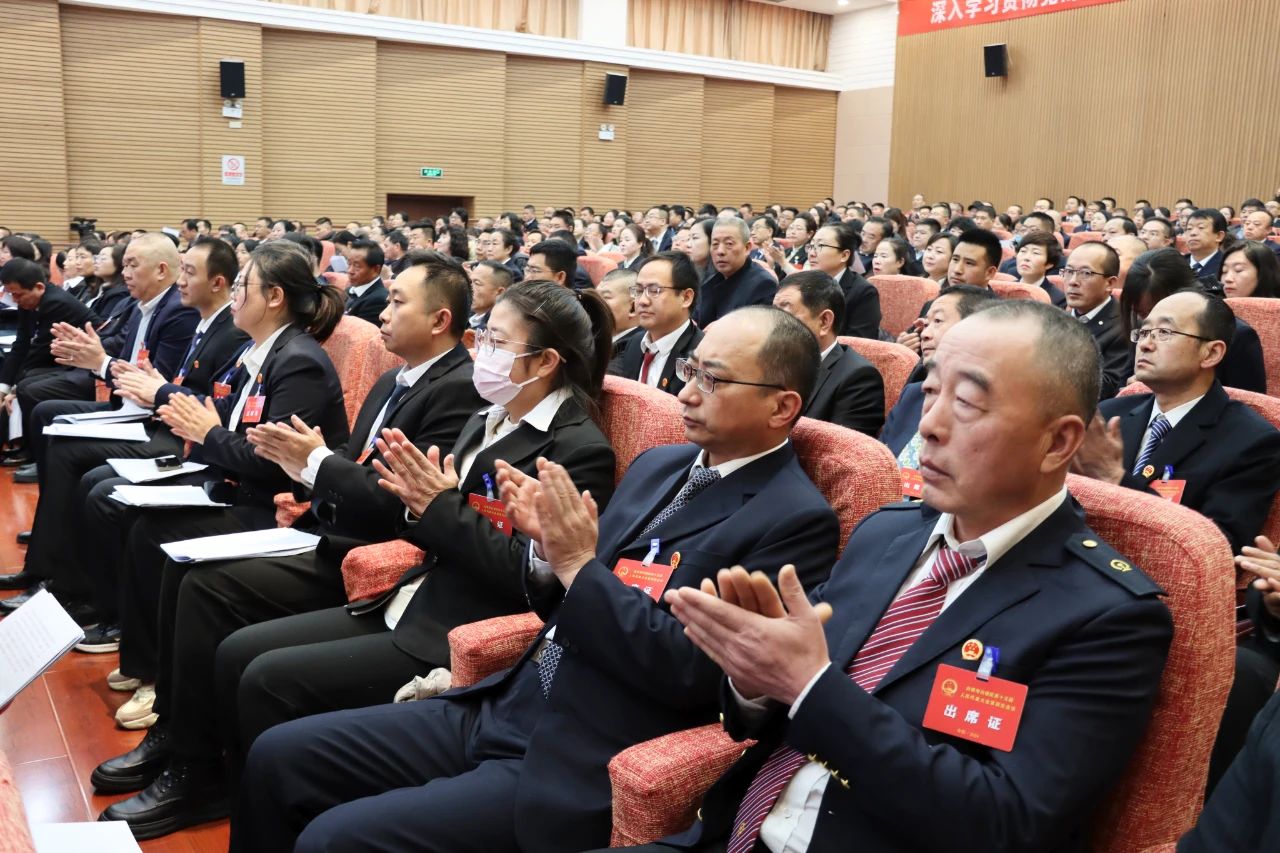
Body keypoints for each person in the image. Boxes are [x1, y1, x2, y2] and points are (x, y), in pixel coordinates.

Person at [233, 306, 842, 853]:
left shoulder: (792, 519)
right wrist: (548, 559)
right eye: (689, 369)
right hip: (506, 699)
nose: (685, 392)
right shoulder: (661, 465)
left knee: (335, 839)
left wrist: (576, 564)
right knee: (279, 755)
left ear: (781, 406)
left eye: (712, 379)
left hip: (578, 748)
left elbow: (688, 673)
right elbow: (575, 592)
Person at [633, 299, 1172, 853]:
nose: (929, 426)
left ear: (1057, 442)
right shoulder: (887, 533)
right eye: (930, 392)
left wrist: (810, 687)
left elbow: (1003, 824)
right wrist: (753, 677)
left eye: (967, 403)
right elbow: (766, 708)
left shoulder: (1107, 616)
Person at [93, 251, 488, 838]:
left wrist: (314, 466)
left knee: (205, 585)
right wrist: (312, 478)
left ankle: (198, 770)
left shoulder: (456, 389)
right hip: (329, 525)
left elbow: (400, 503)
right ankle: (175, 735)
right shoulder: (393, 379)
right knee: (183, 568)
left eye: (397, 301)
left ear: (440, 320)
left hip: (373, 557)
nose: (382, 312)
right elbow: (354, 466)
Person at [71, 242, 349, 737]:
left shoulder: (298, 361)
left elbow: (273, 464)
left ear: (274, 297)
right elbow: (226, 415)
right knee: (137, 516)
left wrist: (205, 432)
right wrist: (173, 399)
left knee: (154, 533)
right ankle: (147, 663)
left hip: (276, 509)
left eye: (243, 286)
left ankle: (159, 681)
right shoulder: (259, 350)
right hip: (233, 486)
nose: (235, 295)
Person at [0, 239, 249, 627]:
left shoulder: (201, 322)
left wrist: (103, 363)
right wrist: (100, 357)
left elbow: (174, 393)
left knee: (81, 465)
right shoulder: (188, 317)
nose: (181, 281)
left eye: (188, 272)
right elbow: (152, 377)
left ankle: (69, 582)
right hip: (156, 417)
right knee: (53, 424)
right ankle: (53, 557)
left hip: (174, 434)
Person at [1076, 290, 1280, 555]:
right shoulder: (1108, 413)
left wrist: (1116, 479)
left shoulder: (1252, 442)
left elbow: (1215, 549)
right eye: (1144, 332)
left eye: (1164, 333)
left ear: (1211, 353)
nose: (1145, 345)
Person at [16, 233, 201, 482]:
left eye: (132, 265)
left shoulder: (179, 311)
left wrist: (100, 362)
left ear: (161, 270)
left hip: (151, 418)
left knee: (65, 446)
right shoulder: (140, 305)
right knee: (45, 411)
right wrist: (92, 356)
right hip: (125, 404)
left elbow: (152, 387)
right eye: (124, 265)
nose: (125, 273)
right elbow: (124, 363)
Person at [1121, 248, 1267, 394]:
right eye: (1142, 313)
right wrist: (1131, 390)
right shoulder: (1145, 328)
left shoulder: (1238, 336)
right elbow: (1122, 385)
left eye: (1164, 330)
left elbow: (1249, 402)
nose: (1151, 320)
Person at [881, 285, 999, 463]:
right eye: (925, 325)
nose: (925, 334)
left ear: (976, 329)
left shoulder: (994, 412)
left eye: (937, 321)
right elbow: (879, 464)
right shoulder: (913, 395)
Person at [0, 258, 99, 446]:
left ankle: (34, 450)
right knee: (21, 382)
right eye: (11, 295)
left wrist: (13, 389)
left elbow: (39, 351)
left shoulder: (56, 302)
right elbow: (21, 344)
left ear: (39, 287)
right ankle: (18, 445)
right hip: (60, 360)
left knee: (27, 386)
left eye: (18, 295)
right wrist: (3, 389)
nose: (15, 300)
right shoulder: (27, 301)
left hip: (84, 367)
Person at [772, 271, 884, 436]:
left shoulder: (858, 379)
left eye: (785, 315)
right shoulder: (766, 361)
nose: (773, 324)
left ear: (824, 321)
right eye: (773, 313)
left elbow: (839, 449)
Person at [610, 252, 703, 396]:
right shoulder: (635, 343)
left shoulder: (701, 354)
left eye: (654, 291)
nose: (642, 301)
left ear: (686, 298)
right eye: (639, 291)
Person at [1061, 242, 1130, 400]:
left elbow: (1107, 386)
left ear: (1110, 283)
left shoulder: (1125, 326)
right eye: (1069, 271)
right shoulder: (1055, 316)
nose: (1073, 281)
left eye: (1086, 273)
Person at [692, 219, 778, 328]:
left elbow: (758, 332)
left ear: (747, 248)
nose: (720, 251)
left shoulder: (763, 284)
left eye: (729, 244)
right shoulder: (710, 278)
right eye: (715, 244)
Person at [804, 222, 881, 339]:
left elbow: (858, 342)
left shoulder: (864, 293)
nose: (811, 253)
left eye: (820, 246)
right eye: (811, 246)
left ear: (844, 255)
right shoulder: (803, 284)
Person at [1013, 231, 1066, 307]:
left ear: (1049, 264)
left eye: (1036, 253)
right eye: (1023, 251)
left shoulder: (1057, 299)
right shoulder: (1005, 290)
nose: (1026, 258)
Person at [597, 267, 640, 357]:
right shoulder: (594, 334)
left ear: (633, 307)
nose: (595, 302)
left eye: (606, 297)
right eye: (596, 295)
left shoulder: (636, 348)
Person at [342, 239, 389, 324]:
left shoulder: (378, 300)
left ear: (375, 269)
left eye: (357, 266)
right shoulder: (348, 291)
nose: (350, 271)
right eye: (349, 264)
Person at [1184, 208, 1230, 283]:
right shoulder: (1176, 264)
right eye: (1189, 228)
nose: (1193, 233)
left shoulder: (1226, 267)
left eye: (1201, 228)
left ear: (1219, 236)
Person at [468, 260, 511, 332]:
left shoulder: (497, 330)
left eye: (477, 283)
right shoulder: (465, 315)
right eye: (470, 282)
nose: (469, 288)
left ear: (500, 292)